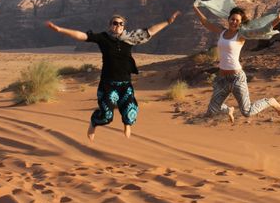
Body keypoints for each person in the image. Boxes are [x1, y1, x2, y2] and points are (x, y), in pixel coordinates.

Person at [46, 10, 181, 143]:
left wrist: (168, 22)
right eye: (115, 23)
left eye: (121, 24)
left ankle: (127, 125)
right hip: (108, 84)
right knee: (106, 116)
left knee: (131, 110)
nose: (118, 26)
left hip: (125, 83)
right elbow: (82, 36)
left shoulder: (130, 38)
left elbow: (150, 31)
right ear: (110, 25)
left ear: (124, 26)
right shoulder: (103, 38)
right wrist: (59, 30)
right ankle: (93, 123)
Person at [192, 0, 280, 123]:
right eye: (232, 19)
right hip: (222, 79)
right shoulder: (222, 32)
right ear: (228, 19)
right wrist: (195, 8)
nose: (234, 22)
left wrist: (277, 20)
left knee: (247, 112)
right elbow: (205, 22)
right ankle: (228, 110)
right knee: (211, 111)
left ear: (240, 23)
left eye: (237, 20)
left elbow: (261, 30)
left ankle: (270, 101)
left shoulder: (241, 35)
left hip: (237, 78)